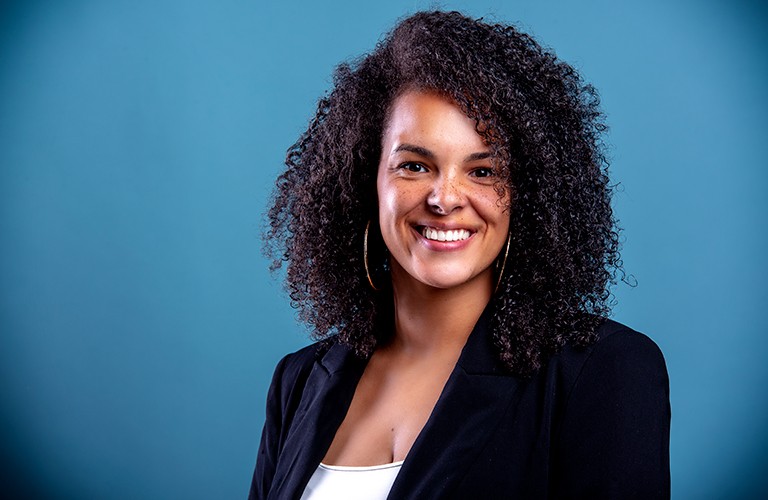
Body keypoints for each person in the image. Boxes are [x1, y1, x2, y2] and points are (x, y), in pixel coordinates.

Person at [250, 10, 670, 500]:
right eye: (414, 165)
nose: (445, 199)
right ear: (368, 181)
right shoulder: (299, 382)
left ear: (525, 193)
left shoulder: (602, 371)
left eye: (484, 172)